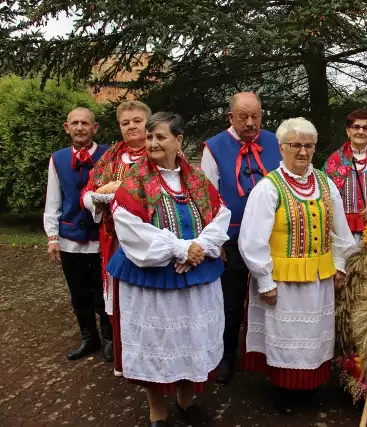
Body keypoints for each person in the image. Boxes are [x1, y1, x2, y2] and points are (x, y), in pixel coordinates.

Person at [106, 112, 229, 427]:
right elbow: (129, 228)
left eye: (160, 137)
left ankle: (186, 402)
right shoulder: (135, 181)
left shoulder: (197, 179)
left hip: (195, 274)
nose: (152, 143)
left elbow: (220, 215)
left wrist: (199, 247)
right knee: (157, 344)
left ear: (179, 140)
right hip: (151, 278)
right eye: (149, 138)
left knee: (190, 339)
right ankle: (157, 412)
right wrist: (179, 248)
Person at [239, 117, 356, 414]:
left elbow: (340, 230)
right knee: (287, 337)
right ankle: (285, 391)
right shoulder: (268, 188)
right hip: (283, 281)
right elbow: (252, 240)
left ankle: (312, 387)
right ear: (281, 147)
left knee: (315, 334)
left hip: (318, 277)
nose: (302, 152)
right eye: (295, 145)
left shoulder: (326, 183)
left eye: (308, 146)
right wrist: (264, 280)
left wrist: (340, 264)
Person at [201, 92, 281, 383]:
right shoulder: (213, 148)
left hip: (272, 237)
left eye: (255, 116)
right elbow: (206, 198)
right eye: (243, 116)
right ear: (230, 117)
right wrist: (216, 239)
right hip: (231, 238)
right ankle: (225, 356)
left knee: (273, 297)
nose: (250, 122)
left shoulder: (276, 141)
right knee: (230, 300)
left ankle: (274, 357)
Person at [81, 100, 151, 375]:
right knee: (121, 300)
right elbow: (88, 192)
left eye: (137, 120)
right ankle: (126, 360)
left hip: (151, 240)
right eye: (125, 123)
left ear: (147, 122)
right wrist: (95, 199)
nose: (132, 126)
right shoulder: (109, 158)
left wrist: (121, 189)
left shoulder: (159, 152)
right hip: (115, 242)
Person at [44, 107, 111, 361]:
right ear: (67, 127)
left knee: (102, 291)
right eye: (75, 123)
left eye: (85, 123)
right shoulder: (58, 159)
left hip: (101, 238)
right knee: (79, 293)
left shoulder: (108, 155)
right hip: (70, 237)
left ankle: (109, 338)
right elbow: (53, 200)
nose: (80, 127)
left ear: (95, 128)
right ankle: (88, 338)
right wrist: (52, 237)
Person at [323, 108, 367, 242]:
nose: (361, 132)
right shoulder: (334, 161)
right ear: (348, 131)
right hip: (342, 231)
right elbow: (324, 197)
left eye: (365, 128)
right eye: (356, 127)